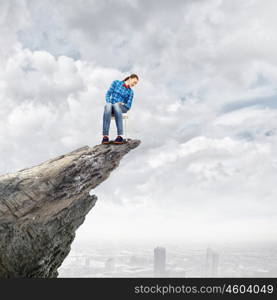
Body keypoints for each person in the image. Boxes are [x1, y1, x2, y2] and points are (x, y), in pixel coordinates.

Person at [102, 74, 139, 144]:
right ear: (130, 78)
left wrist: (122, 104)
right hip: (111, 106)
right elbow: (108, 94)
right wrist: (109, 102)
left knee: (116, 105)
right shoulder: (116, 83)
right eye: (134, 82)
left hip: (123, 107)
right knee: (108, 106)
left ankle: (120, 136)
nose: (134, 84)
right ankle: (105, 136)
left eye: (136, 83)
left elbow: (128, 105)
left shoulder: (131, 92)